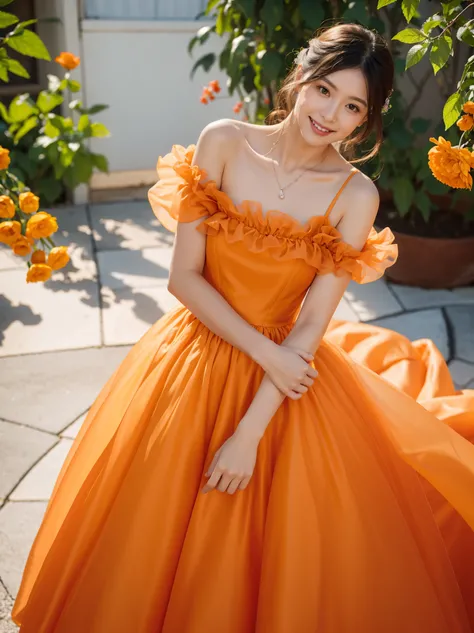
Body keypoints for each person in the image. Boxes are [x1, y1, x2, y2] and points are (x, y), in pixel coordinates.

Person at [11, 22, 474, 633]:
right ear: (300, 79)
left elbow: (311, 324)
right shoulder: (223, 141)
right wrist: (267, 354)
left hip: (285, 381)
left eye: (353, 106)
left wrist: (250, 432)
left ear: (366, 121)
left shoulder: (354, 194)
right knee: (148, 523)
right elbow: (184, 278)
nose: (330, 113)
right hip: (196, 353)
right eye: (325, 90)